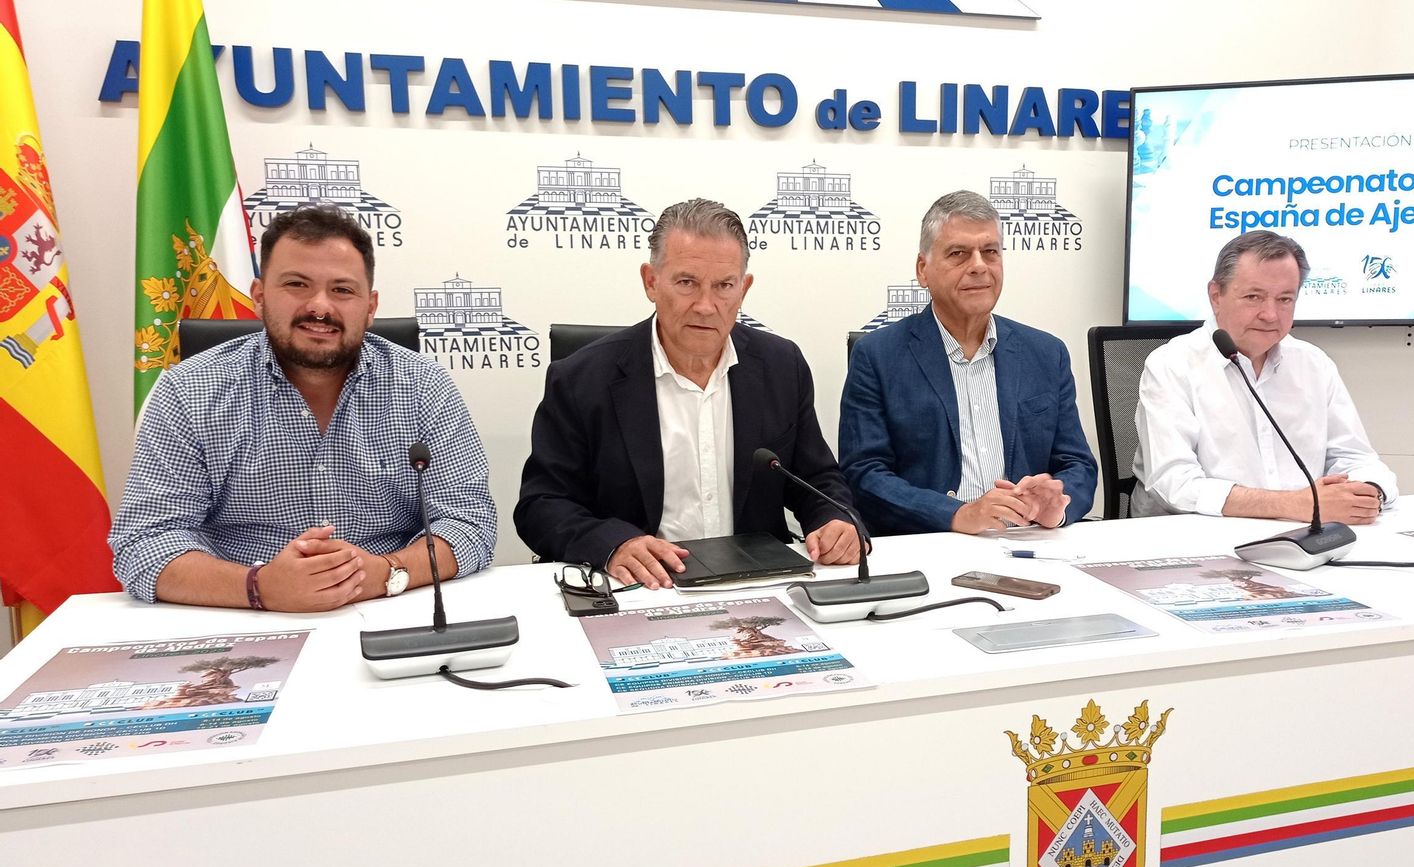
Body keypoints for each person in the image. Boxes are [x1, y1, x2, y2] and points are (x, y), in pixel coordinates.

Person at [109, 204, 495, 612]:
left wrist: (384, 572)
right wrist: (260, 587)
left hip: (392, 604)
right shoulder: (189, 391)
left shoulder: (422, 386)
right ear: (259, 297)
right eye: (296, 284)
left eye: (343, 290)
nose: (320, 306)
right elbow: (144, 542)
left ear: (370, 305)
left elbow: (469, 523)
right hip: (238, 611)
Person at [514, 198, 858, 588]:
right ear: (651, 281)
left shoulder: (781, 366)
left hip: (759, 581)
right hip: (643, 587)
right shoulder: (581, 378)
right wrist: (613, 545)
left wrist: (836, 520)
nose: (705, 306)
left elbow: (817, 479)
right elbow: (542, 506)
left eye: (724, 286)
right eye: (686, 283)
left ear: (743, 289)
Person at [838, 190, 1098, 536]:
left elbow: (1078, 465)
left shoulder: (1046, 353)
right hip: (933, 542)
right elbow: (863, 475)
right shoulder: (878, 356)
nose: (978, 265)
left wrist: (1052, 506)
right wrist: (955, 514)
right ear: (923, 270)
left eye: (990, 252)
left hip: (1031, 540)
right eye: (958, 254)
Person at [1132, 229, 1397, 523]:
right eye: (1253, 297)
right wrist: (1294, 505)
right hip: (1195, 541)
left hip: (1301, 532)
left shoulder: (1314, 364)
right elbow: (1174, 484)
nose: (1270, 314)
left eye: (1285, 299)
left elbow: (1357, 459)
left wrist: (1368, 493)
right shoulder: (1171, 365)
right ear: (1216, 296)